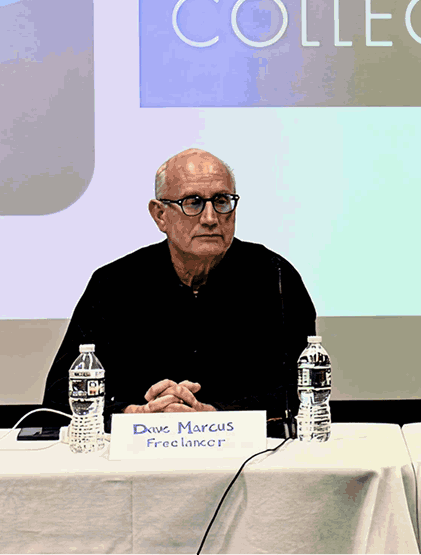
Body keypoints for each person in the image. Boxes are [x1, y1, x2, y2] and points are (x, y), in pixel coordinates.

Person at [42, 148, 316, 421]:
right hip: (136, 454)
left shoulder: (275, 277)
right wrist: (133, 413)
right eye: (193, 202)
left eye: (221, 201)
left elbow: (306, 391)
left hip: (251, 456)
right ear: (160, 215)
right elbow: (60, 395)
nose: (210, 218)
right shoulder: (114, 283)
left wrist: (216, 414)